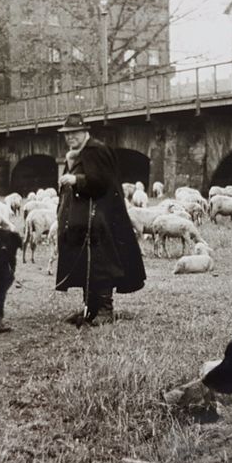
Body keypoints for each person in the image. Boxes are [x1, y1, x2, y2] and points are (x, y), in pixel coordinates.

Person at [55, 113, 146, 326]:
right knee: (86, 261)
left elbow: (103, 182)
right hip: (83, 219)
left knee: (100, 261)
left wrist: (76, 179)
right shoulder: (78, 153)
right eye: (67, 134)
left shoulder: (96, 150)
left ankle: (105, 309)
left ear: (85, 131)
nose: (70, 138)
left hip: (99, 219)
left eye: (74, 133)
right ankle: (90, 308)